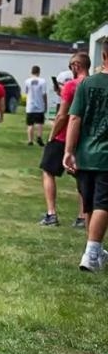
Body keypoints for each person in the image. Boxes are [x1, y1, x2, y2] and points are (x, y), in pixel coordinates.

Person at [63, 40, 108, 271]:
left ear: (103, 56)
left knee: (90, 203)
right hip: (105, 157)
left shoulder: (86, 84)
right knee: (103, 204)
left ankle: (93, 250)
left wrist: (69, 151)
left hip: (85, 153)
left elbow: (74, 118)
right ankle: (92, 252)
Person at [39, 51, 90, 227]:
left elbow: (62, 116)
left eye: (71, 66)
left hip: (64, 136)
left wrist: (51, 136)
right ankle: (83, 216)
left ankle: (51, 213)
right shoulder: (95, 84)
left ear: (76, 66)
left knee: (47, 170)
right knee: (82, 177)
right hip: (85, 138)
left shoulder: (71, 86)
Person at [23, 66, 49, 145]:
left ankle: (30, 140)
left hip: (30, 106)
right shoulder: (43, 81)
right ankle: (39, 137)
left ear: (31, 72)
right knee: (39, 123)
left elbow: (26, 92)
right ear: (39, 72)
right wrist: (45, 104)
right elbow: (44, 94)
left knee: (30, 124)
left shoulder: (27, 81)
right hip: (40, 105)